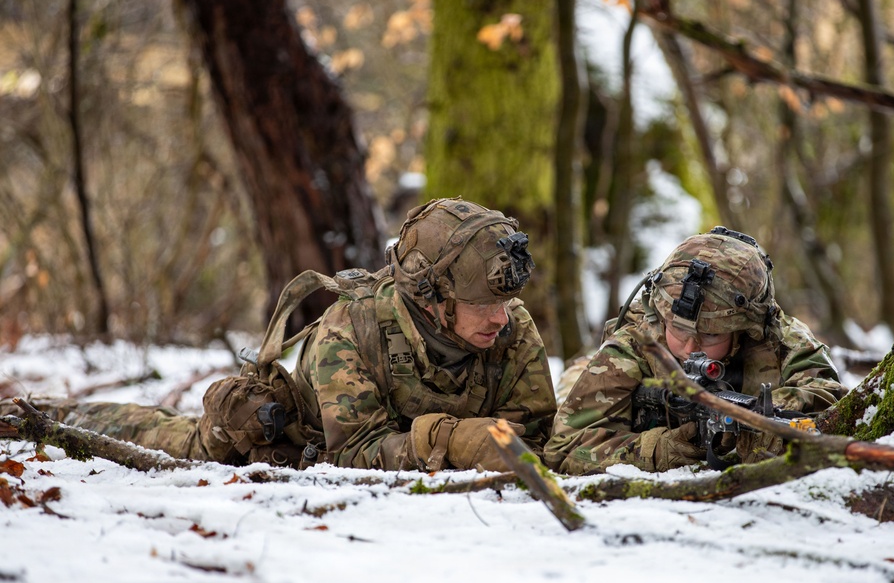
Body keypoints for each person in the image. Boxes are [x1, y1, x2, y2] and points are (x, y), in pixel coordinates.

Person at [10, 198, 557, 472]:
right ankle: (42, 412)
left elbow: (536, 433)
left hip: (390, 448)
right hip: (283, 440)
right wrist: (448, 440)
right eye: (482, 305)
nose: (500, 319)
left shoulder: (513, 328)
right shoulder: (356, 328)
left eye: (505, 303)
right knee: (166, 438)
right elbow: (352, 455)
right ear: (432, 298)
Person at [543, 226, 846, 475]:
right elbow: (566, 448)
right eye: (678, 330)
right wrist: (662, 449)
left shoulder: (781, 340)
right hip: (591, 377)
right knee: (576, 375)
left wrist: (754, 420)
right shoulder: (637, 342)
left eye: (710, 335)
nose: (690, 349)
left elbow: (832, 405)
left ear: (745, 328)